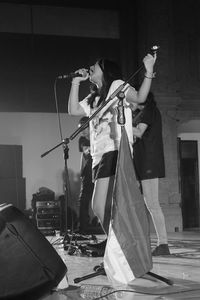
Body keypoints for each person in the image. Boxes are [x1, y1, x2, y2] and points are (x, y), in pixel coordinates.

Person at [67, 53, 156, 254]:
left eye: (95, 65)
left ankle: (120, 245)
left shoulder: (117, 85)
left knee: (104, 204)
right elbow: (72, 110)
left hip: (114, 150)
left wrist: (149, 70)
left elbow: (140, 97)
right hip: (98, 156)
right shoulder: (93, 97)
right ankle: (117, 243)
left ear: (105, 71)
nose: (90, 67)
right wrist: (75, 83)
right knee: (99, 206)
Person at [132, 92, 170, 256]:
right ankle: (156, 242)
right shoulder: (141, 113)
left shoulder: (149, 109)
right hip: (143, 161)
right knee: (149, 204)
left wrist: (120, 123)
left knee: (153, 204)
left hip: (149, 161)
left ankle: (163, 244)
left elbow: (139, 132)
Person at [77, 116, 94, 234]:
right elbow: (86, 150)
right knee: (83, 201)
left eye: (84, 128)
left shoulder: (97, 137)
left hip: (98, 172)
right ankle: (83, 228)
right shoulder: (82, 139)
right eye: (80, 128)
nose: (82, 130)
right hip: (87, 174)